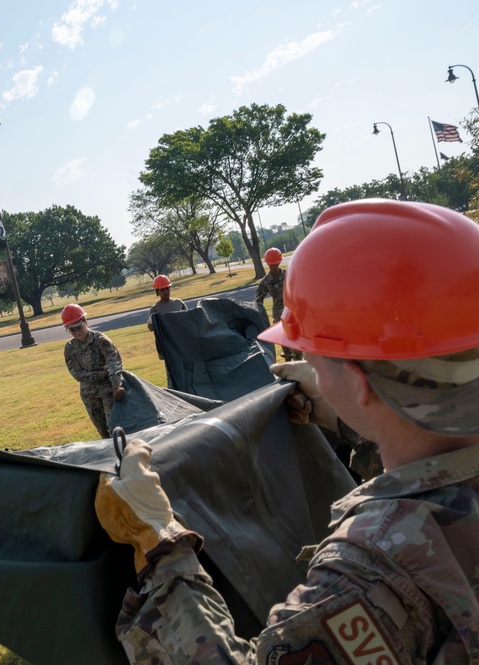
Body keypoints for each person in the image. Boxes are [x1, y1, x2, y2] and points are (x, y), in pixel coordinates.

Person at [94, 199, 479, 663]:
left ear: (358, 381)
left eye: (313, 355)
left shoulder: (375, 564)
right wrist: (352, 421)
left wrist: (161, 544)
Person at [61, 304, 126, 439]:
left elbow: (114, 362)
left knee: (114, 428)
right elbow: (77, 374)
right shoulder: (70, 348)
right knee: (103, 433)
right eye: (72, 330)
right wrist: (103, 374)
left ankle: (122, 455)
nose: (77, 332)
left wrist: (116, 385)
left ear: (85, 322)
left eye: (79, 327)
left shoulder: (101, 340)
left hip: (109, 391)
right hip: (89, 395)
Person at [255, 247, 302, 361]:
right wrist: (260, 316)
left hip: (292, 309)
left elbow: (299, 289)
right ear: (267, 264)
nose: (273, 267)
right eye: (271, 265)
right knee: (283, 336)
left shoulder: (288, 274)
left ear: (279, 262)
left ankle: (298, 357)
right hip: (278, 313)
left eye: (275, 264)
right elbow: (258, 300)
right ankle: (288, 358)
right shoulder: (266, 281)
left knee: (295, 334)